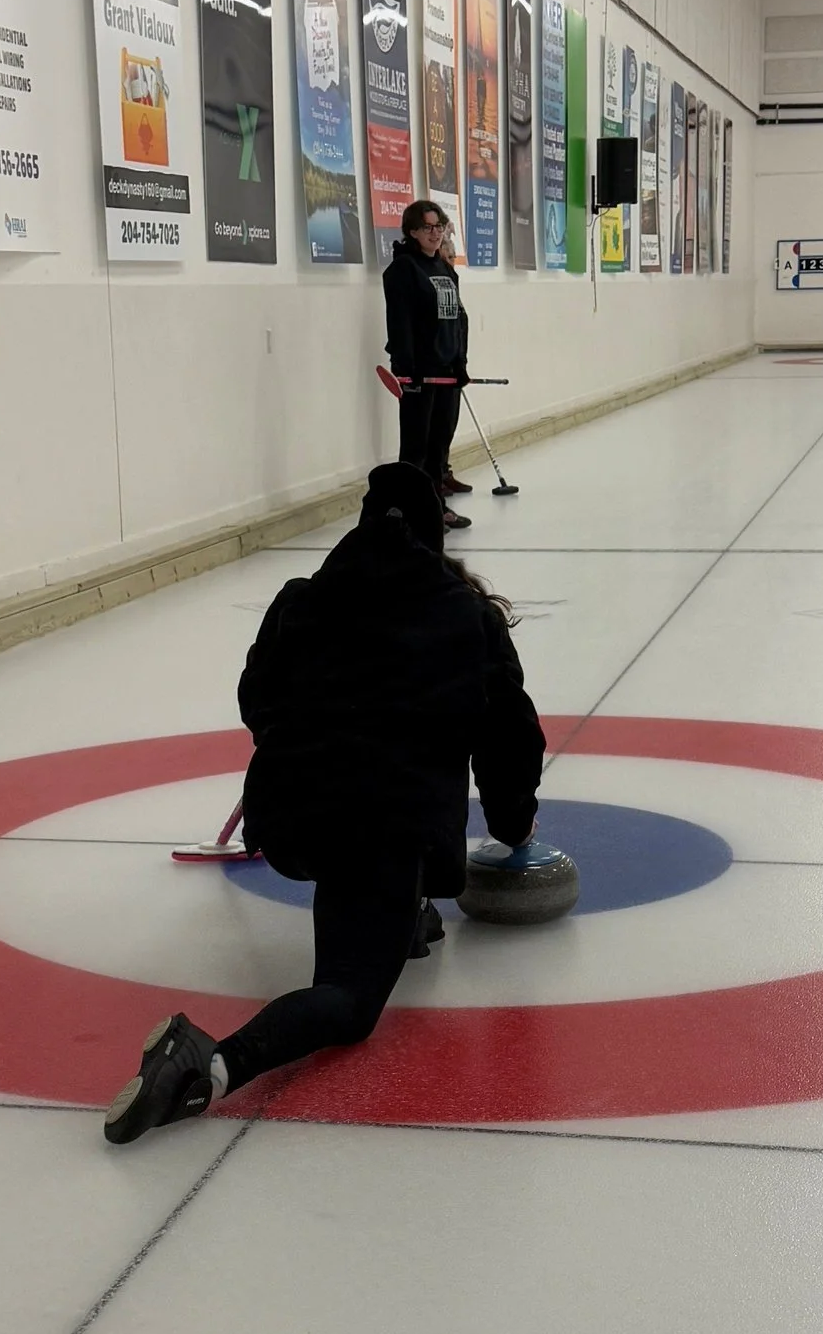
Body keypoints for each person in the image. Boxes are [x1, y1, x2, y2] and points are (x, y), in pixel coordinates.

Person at [105, 463, 547, 1140]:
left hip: (289, 820)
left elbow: (259, 705)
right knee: (348, 1001)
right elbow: (507, 738)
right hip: (380, 828)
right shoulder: (466, 617)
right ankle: (210, 1063)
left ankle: (410, 911)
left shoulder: (301, 600)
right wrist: (516, 828)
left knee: (383, 891)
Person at [382, 200, 472, 518]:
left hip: (447, 372)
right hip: (420, 374)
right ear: (412, 232)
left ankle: (436, 509)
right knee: (415, 450)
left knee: (438, 449)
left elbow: (458, 319)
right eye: (427, 228)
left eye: (439, 226)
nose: (435, 233)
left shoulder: (445, 269)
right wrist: (406, 366)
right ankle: (409, 512)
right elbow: (400, 321)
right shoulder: (403, 270)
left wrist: (460, 361)